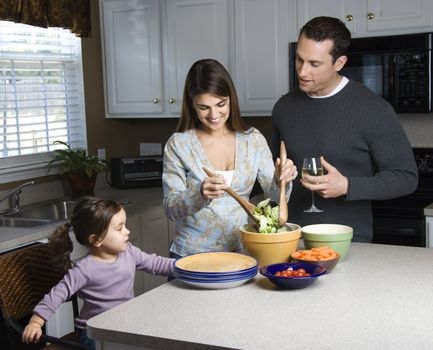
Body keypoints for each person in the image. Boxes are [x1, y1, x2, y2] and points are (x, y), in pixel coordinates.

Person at [271, 16, 418, 243]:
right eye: (299, 59)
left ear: (339, 63)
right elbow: (271, 177)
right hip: (291, 238)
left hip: (348, 243)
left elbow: (406, 178)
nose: (302, 71)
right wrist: (278, 176)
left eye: (314, 64)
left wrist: (347, 186)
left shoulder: (374, 109)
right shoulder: (284, 108)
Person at [163, 58, 298, 258]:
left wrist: (281, 179)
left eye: (221, 104)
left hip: (242, 253)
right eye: (203, 107)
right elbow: (170, 208)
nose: (214, 114)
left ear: (231, 99)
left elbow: (275, 200)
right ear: (192, 104)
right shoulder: (179, 144)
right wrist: (199, 194)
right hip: (191, 256)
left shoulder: (252, 140)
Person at [22, 197, 175, 349]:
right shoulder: (84, 270)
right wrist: (36, 322)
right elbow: (57, 295)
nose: (127, 231)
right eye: (120, 228)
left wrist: (183, 266)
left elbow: (156, 264)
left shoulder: (130, 252)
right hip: (94, 332)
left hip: (124, 325)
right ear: (96, 240)